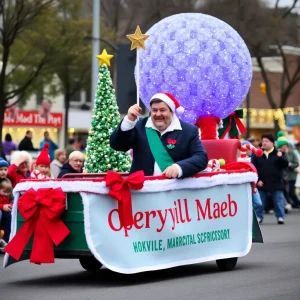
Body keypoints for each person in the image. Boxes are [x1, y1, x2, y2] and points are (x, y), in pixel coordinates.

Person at [110, 92, 208, 178]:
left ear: (172, 112)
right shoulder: (139, 125)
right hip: (142, 190)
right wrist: (129, 121)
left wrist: (178, 168)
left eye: (162, 110)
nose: (158, 114)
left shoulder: (188, 130)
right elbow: (118, 145)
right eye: (154, 110)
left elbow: (201, 158)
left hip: (175, 192)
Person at [252, 134, 289, 225]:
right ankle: (259, 217)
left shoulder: (278, 153)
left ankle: (280, 217)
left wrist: (281, 157)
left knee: (278, 201)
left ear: (272, 143)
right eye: (263, 141)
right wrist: (257, 180)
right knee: (260, 202)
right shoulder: (257, 154)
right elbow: (253, 167)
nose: (264, 143)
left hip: (276, 182)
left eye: (266, 141)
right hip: (262, 182)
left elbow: (285, 164)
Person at [277, 138, 300, 208]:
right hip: (282, 175)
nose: (284, 147)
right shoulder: (278, 153)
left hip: (291, 175)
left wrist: (290, 164)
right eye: (282, 145)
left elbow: (296, 163)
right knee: (284, 191)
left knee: (291, 192)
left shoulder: (292, 152)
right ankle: (287, 205)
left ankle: (297, 203)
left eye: (285, 145)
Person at [0, 178, 12, 246]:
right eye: (4, 192)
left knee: (9, 217)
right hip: (1, 211)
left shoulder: (8, 196)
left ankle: (6, 240)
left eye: (8, 192)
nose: (6, 194)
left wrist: (10, 205)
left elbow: (12, 202)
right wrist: (2, 206)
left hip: (6, 213)